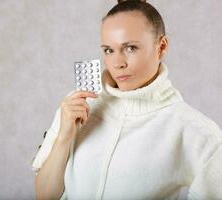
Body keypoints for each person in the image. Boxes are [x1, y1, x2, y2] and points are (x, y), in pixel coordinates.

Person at [31, 0, 222, 199]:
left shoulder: (195, 132)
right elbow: (45, 196)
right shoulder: (76, 107)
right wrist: (64, 137)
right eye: (108, 50)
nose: (117, 63)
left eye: (130, 48)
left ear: (162, 47)